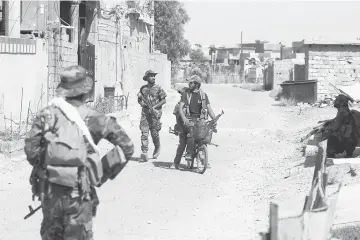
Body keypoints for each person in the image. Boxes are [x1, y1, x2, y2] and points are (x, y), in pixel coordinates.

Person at [24, 65, 134, 240]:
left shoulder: (47, 114)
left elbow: (31, 151)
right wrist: (99, 173)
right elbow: (126, 147)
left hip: (50, 192)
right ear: (86, 91)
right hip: (80, 193)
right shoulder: (96, 118)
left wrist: (51, 168)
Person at [173, 75, 217, 169]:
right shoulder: (186, 94)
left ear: (196, 84)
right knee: (183, 143)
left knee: (204, 136)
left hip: (199, 120)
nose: (189, 84)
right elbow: (180, 108)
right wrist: (184, 118)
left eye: (191, 83)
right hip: (188, 120)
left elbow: (209, 108)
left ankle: (203, 159)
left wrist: (214, 119)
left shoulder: (203, 96)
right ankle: (179, 160)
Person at [137, 70, 167, 161]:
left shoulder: (158, 88)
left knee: (154, 133)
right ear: (147, 78)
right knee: (144, 133)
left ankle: (157, 147)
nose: (153, 77)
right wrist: (143, 105)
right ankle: (144, 152)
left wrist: (154, 107)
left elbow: (164, 100)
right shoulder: (143, 88)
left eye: (154, 76)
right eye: (151, 76)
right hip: (145, 113)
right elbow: (139, 100)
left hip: (155, 113)